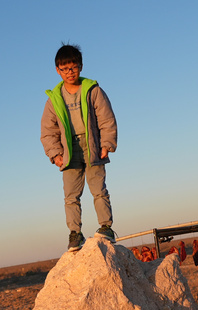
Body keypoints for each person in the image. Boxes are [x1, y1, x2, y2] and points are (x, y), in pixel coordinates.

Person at [41, 43, 118, 253]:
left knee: (99, 190)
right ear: (57, 70)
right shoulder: (54, 99)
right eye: (64, 69)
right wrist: (55, 154)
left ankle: (106, 227)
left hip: (92, 145)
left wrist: (106, 144)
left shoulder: (92, 90)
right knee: (71, 196)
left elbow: (106, 118)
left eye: (73, 67)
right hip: (69, 150)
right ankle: (75, 233)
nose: (69, 72)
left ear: (80, 66)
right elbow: (48, 131)